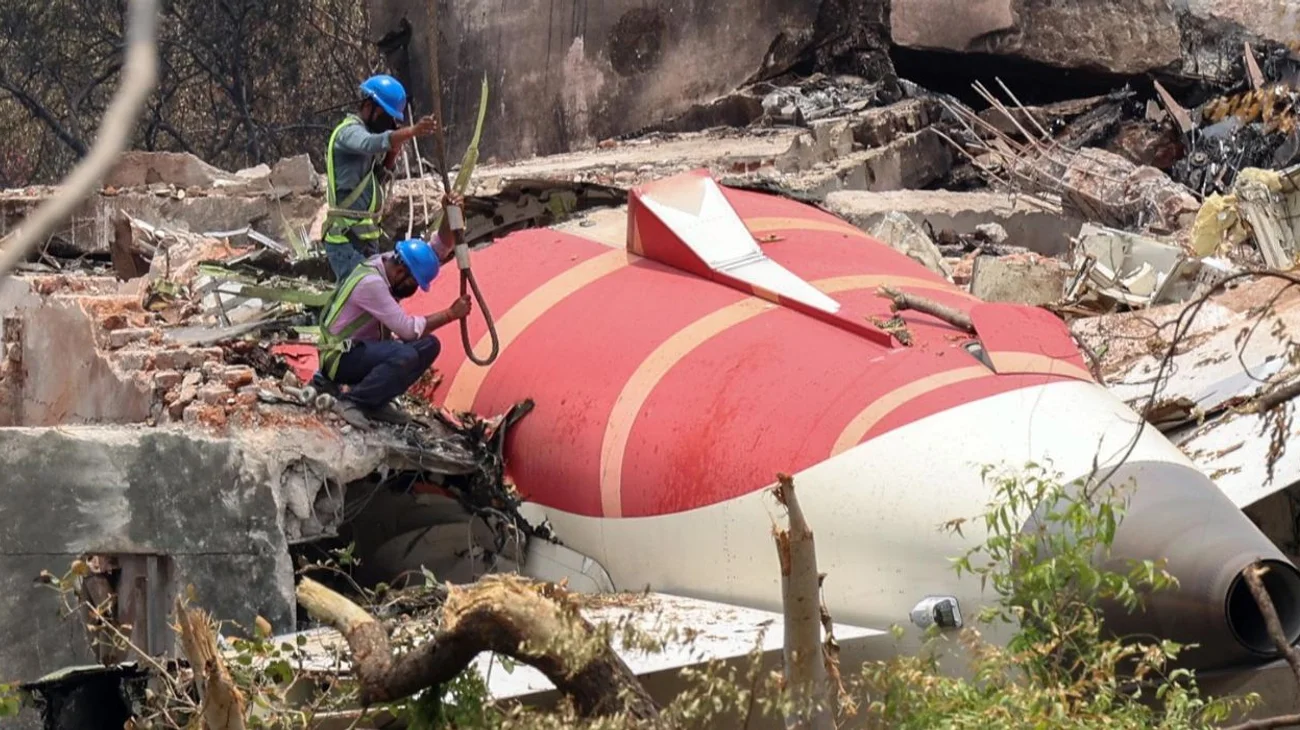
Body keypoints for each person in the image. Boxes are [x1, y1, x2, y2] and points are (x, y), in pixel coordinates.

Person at [313, 232, 471, 430]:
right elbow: (407, 330)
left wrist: (451, 219)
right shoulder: (372, 283)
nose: (412, 290)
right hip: (337, 358)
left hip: (359, 349)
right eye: (413, 284)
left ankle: (375, 401)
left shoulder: (389, 263)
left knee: (430, 345)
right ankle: (353, 402)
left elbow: (433, 250)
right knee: (405, 355)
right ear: (401, 272)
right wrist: (450, 314)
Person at [323, 73, 444, 280]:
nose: (389, 124)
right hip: (346, 240)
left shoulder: (364, 137)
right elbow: (369, 143)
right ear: (369, 106)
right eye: (387, 117)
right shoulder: (349, 132)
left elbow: (374, 184)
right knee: (362, 291)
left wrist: (392, 154)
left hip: (363, 239)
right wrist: (411, 131)